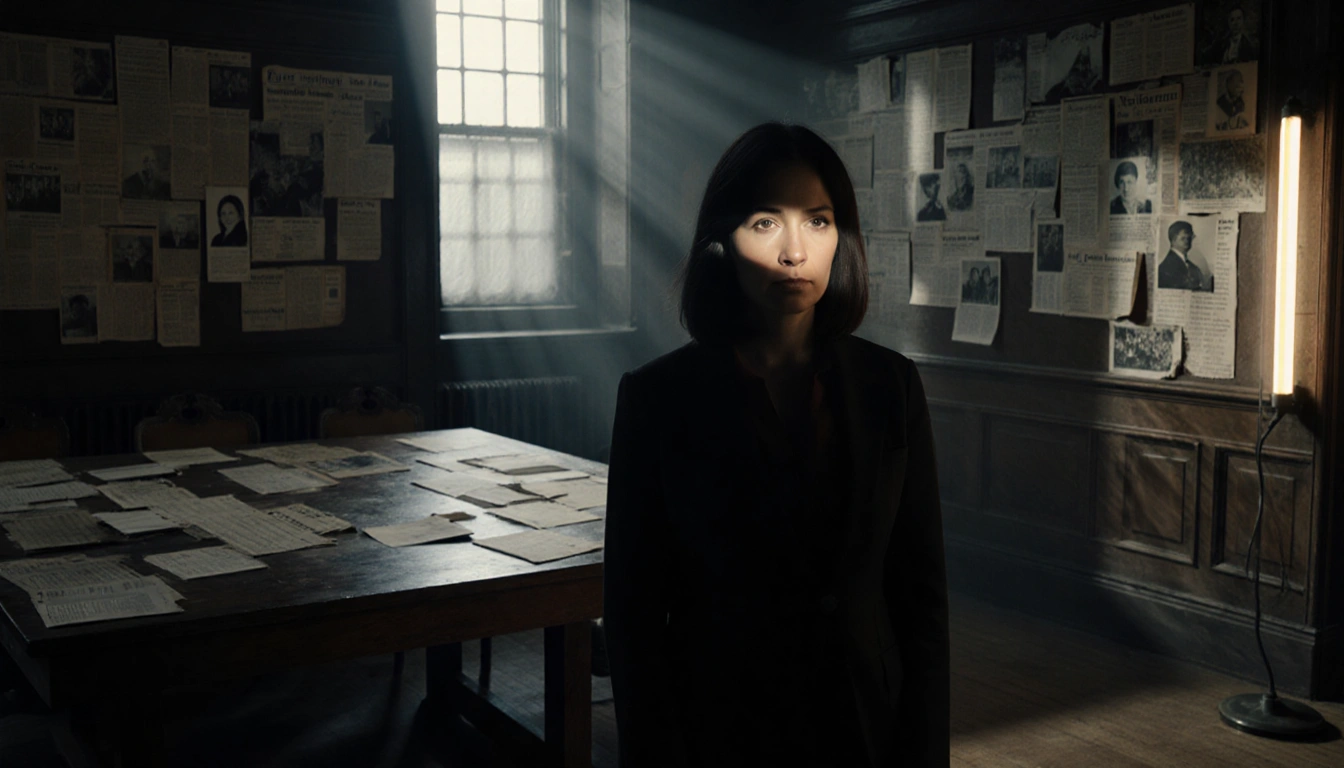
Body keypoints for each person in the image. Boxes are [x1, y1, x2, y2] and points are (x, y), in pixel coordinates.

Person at [604, 122, 948, 768]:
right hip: (722, 731)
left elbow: (920, 598)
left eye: (817, 222)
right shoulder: (658, 399)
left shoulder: (890, 387)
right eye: (765, 223)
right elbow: (633, 617)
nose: (795, 252)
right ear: (722, 242)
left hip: (862, 728)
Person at [1158, 220, 1214, 292]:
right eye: (1184, 238)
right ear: (1173, 239)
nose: (1188, 240)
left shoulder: (1193, 267)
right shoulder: (1165, 268)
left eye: (1190, 237)